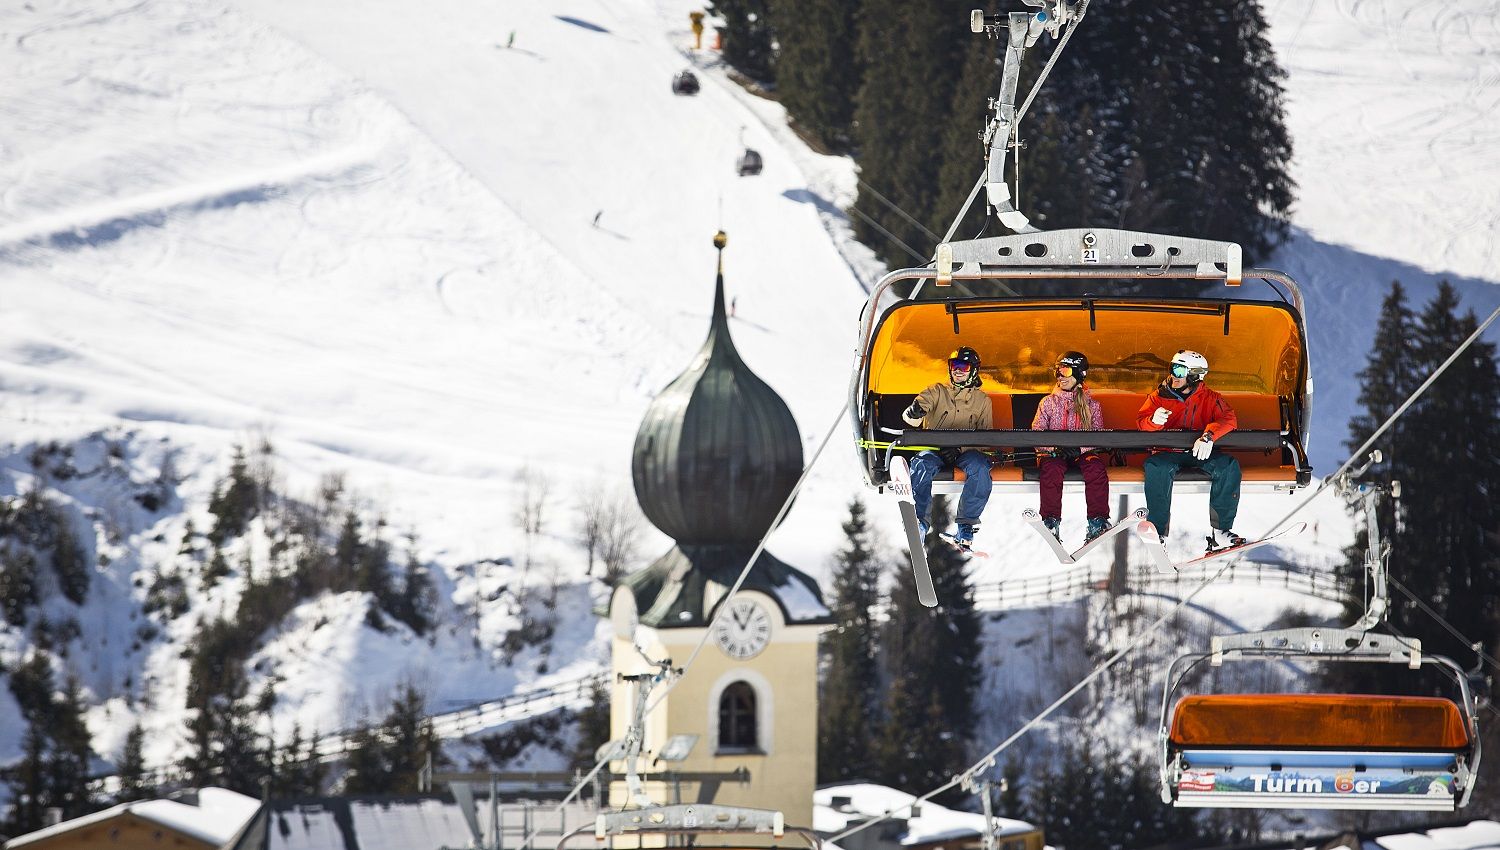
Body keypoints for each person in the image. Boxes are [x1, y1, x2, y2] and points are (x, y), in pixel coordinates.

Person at [1136, 349, 1244, 552]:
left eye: (1179, 370)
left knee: (1228, 466)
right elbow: (1142, 423)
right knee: (1156, 467)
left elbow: (1228, 419)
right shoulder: (1158, 397)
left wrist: (1208, 436)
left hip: (1199, 453)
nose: (1173, 375)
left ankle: (1221, 530)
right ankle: (1158, 532)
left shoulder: (1210, 398)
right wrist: (1153, 421)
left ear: (1194, 376)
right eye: (1172, 368)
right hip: (1167, 452)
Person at [901, 346, 994, 545]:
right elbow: (913, 415)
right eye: (954, 365)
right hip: (934, 449)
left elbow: (985, 439)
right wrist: (914, 413)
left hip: (964, 453)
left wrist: (959, 449)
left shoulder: (982, 401)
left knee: (980, 465)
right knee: (921, 464)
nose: (957, 370)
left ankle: (966, 525)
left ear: (974, 370)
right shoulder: (937, 391)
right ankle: (919, 522)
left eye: (963, 366)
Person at [1031, 351, 1111, 544]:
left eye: (1065, 371)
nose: (1060, 376)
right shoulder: (1048, 403)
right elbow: (1037, 432)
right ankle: (1050, 520)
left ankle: (1097, 520)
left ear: (1079, 374)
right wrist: (1054, 448)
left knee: (1096, 468)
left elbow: (1098, 434)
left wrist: (1079, 449)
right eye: (1057, 371)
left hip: (1081, 455)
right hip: (1054, 454)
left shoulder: (1092, 405)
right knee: (1051, 468)